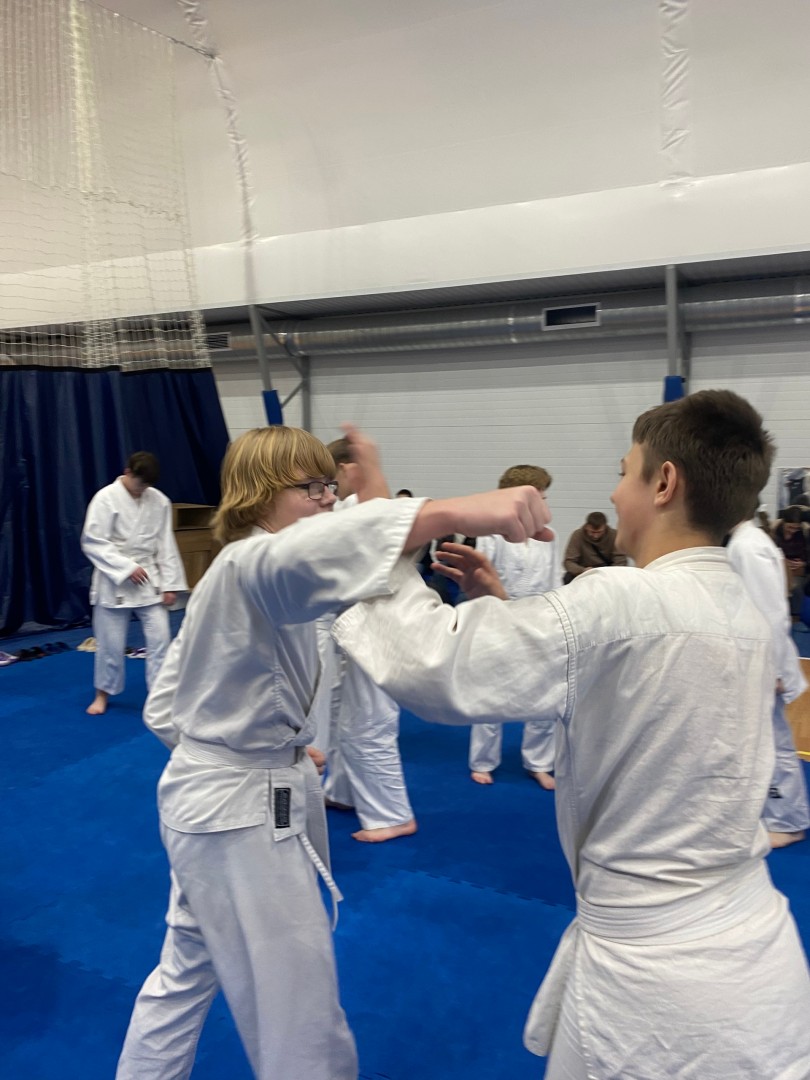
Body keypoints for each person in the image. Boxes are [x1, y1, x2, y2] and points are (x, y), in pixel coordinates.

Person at [333, 390, 810, 1079]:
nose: (614, 494)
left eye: (624, 472)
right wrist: (504, 610)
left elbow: (432, 664)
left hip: (665, 986)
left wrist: (382, 518)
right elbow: (624, 691)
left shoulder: (623, 598)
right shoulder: (739, 605)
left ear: (664, 482)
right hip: (752, 950)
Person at [115, 424, 548, 1079]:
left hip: (208, 803)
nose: (326, 498)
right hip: (237, 818)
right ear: (260, 492)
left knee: (183, 977)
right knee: (300, 1015)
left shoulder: (242, 579)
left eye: (329, 484)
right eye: (310, 486)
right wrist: (456, 511)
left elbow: (165, 707)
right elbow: (325, 549)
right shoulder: (248, 565)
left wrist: (263, 743)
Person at [321, 437, 417, 843]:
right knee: (343, 714)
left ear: (348, 469)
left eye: (331, 479)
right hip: (357, 626)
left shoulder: (366, 510)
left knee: (370, 721)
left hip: (377, 629)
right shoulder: (353, 507)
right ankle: (343, 791)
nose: (328, 490)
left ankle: (393, 815)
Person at [462, 464, 560, 789]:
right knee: (492, 693)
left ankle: (539, 762)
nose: (545, 503)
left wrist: (555, 616)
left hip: (539, 617)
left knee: (545, 695)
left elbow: (554, 579)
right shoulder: (492, 534)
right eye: (540, 497)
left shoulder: (547, 536)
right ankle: (483, 761)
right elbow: (482, 578)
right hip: (498, 617)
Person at [81, 451, 187, 716]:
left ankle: (160, 697)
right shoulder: (105, 498)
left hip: (148, 579)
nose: (143, 490)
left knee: (161, 640)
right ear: (127, 472)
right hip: (113, 580)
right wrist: (126, 567)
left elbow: (165, 543)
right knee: (110, 644)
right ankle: (102, 694)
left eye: (147, 486)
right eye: (140, 484)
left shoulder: (159, 501)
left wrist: (170, 585)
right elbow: (93, 542)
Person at [727, 514, 810, 849]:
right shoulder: (746, 542)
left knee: (774, 739)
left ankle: (788, 822)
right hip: (755, 660)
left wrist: (773, 668)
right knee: (759, 738)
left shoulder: (747, 547)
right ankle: (768, 807)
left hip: (763, 663)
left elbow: (770, 611)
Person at [562, 510, 627, 583]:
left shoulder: (614, 535)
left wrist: (608, 573)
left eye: (599, 532)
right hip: (585, 571)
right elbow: (569, 562)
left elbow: (620, 560)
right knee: (568, 578)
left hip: (608, 572)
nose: (595, 536)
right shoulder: (577, 535)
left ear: (605, 527)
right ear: (586, 527)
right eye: (592, 532)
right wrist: (582, 570)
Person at [772, 506, 810, 617]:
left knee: (796, 587)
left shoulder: (804, 533)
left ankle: (795, 616)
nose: (793, 531)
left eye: (796, 528)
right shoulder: (775, 532)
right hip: (779, 567)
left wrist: (804, 563)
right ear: (784, 523)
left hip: (797, 570)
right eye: (790, 527)